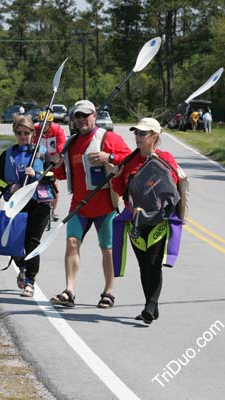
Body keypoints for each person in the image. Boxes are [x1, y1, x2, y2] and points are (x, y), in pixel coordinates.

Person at [50, 100, 131, 308]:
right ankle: (69, 290)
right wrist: (57, 164)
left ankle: (108, 292)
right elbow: (61, 174)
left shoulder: (108, 138)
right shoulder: (70, 143)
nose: (82, 119)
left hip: (105, 206)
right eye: (78, 116)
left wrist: (108, 156)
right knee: (71, 244)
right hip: (79, 206)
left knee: (108, 250)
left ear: (94, 115)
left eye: (86, 115)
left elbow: (129, 159)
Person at [112, 117, 182, 325]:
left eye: (143, 134)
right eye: (136, 133)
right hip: (135, 220)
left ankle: (149, 306)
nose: (138, 137)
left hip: (157, 220)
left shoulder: (164, 157)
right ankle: (151, 306)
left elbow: (172, 186)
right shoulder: (129, 161)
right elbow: (119, 189)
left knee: (153, 264)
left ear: (154, 137)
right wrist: (116, 174)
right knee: (144, 266)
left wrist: (156, 165)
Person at [0, 114, 55, 297]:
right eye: (19, 133)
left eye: (26, 133)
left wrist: (37, 174)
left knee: (32, 243)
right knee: (15, 242)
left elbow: (53, 176)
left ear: (32, 134)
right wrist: (9, 187)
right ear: (15, 133)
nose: (23, 136)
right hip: (17, 203)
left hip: (39, 203)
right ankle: (22, 267)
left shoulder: (41, 152)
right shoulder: (8, 154)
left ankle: (30, 281)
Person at [33, 111, 66, 221]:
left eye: (46, 123)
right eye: (41, 123)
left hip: (53, 159)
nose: (43, 126)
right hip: (40, 159)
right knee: (38, 182)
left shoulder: (57, 130)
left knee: (54, 185)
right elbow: (31, 144)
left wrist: (58, 160)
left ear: (51, 124)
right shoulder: (35, 130)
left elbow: (61, 148)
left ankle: (54, 210)